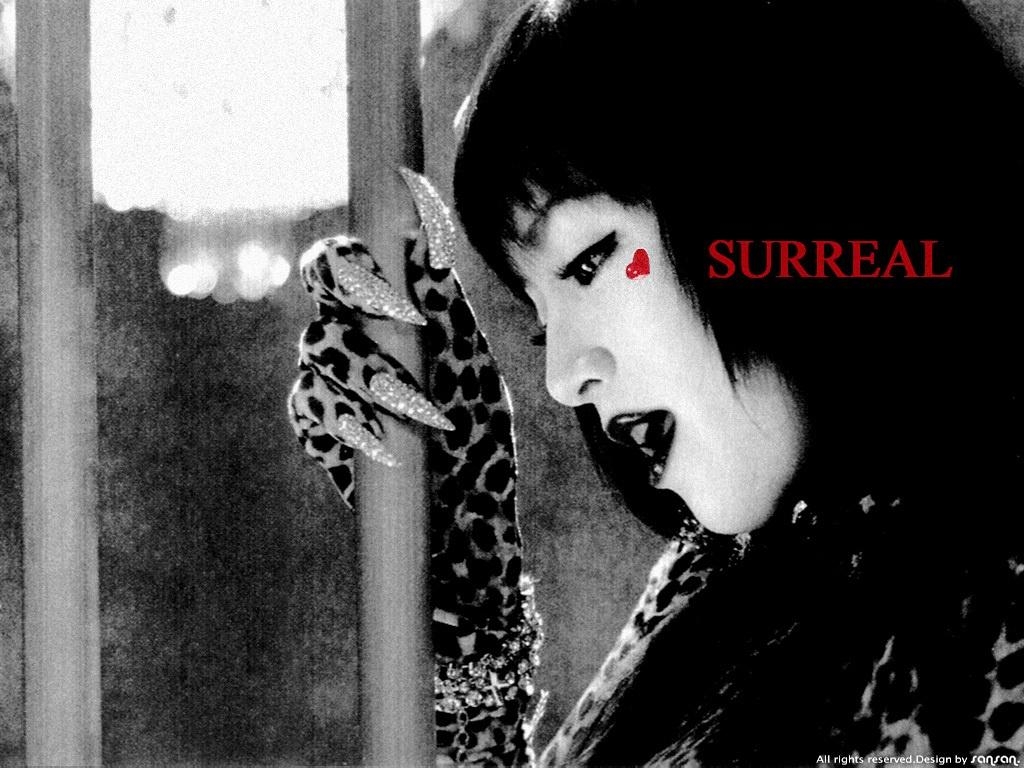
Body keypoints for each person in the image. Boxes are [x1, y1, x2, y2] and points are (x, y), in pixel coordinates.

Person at [291, 0, 1024, 764]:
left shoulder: (988, 605)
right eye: (540, 320)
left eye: (588, 262)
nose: (562, 378)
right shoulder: (728, 584)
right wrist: (469, 593)